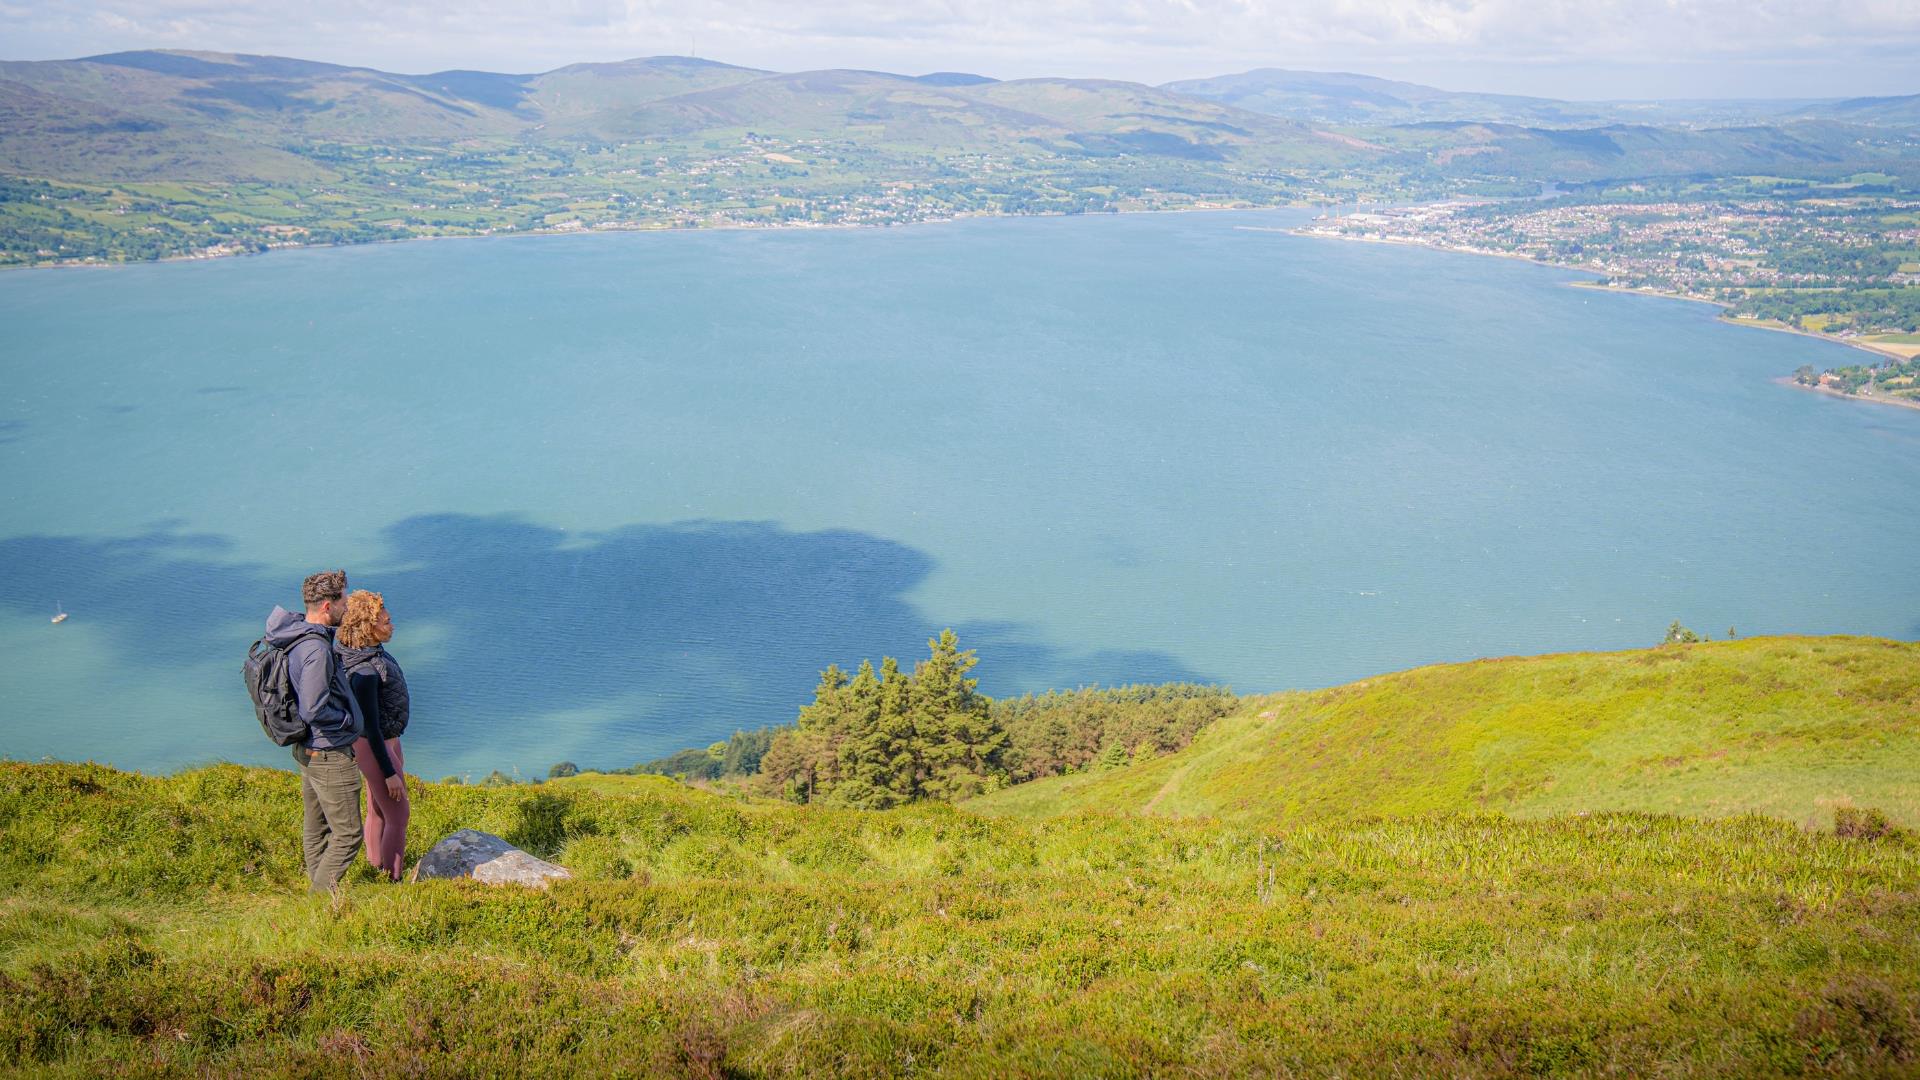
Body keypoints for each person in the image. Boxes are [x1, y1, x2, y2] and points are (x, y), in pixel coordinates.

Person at [262, 569, 378, 894]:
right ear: (327, 606)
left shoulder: (298, 636)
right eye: (343, 600)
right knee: (348, 834)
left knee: (317, 828)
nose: (348, 607)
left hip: (308, 750)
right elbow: (312, 708)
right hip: (328, 753)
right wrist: (345, 721)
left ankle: (323, 903)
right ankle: (317, 902)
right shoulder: (316, 649)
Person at [336, 590, 410, 882]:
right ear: (369, 627)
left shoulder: (364, 652)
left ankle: (376, 867)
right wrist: (389, 771)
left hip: (387, 741)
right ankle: (393, 880)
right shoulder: (364, 671)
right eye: (387, 621)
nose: (392, 625)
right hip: (377, 746)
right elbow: (370, 726)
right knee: (398, 815)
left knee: (378, 809)